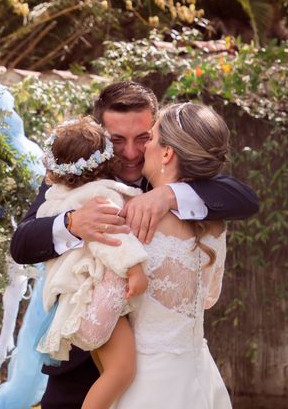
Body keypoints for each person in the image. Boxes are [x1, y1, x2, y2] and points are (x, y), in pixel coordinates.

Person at [10, 81, 259, 408]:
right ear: (100, 135)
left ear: (156, 133)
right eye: (117, 140)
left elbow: (243, 199)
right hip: (80, 365)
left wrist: (168, 194)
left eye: (143, 138)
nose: (130, 153)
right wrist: (72, 223)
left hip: (160, 370)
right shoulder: (75, 175)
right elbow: (23, 242)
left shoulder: (175, 180)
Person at [95, 102, 232, 408]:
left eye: (151, 138)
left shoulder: (132, 219)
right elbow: (209, 298)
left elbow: (100, 313)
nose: (145, 148)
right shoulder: (216, 223)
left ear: (168, 153)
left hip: (146, 381)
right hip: (198, 369)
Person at [34, 116, 148, 409]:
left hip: (70, 300)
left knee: (113, 370)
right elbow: (114, 239)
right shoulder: (101, 196)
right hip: (94, 298)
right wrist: (135, 270)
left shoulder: (56, 197)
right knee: (122, 371)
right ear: (104, 163)